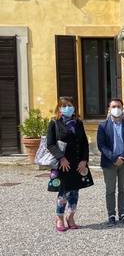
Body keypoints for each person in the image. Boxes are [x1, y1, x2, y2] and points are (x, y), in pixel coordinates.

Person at [46, 96, 91, 232]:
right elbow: (50, 144)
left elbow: (84, 143)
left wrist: (84, 160)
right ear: (59, 108)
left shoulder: (78, 123)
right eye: (64, 106)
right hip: (63, 164)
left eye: (70, 105)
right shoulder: (54, 123)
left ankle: (70, 217)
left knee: (75, 192)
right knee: (63, 192)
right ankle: (59, 218)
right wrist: (61, 158)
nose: (68, 108)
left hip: (78, 163)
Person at [97, 99, 124, 226]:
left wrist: (123, 157)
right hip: (109, 163)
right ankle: (111, 215)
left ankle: (122, 214)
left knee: (123, 189)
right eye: (114, 106)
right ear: (109, 109)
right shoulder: (103, 126)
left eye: (118, 106)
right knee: (110, 190)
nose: (116, 108)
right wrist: (114, 158)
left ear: (122, 108)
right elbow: (101, 145)